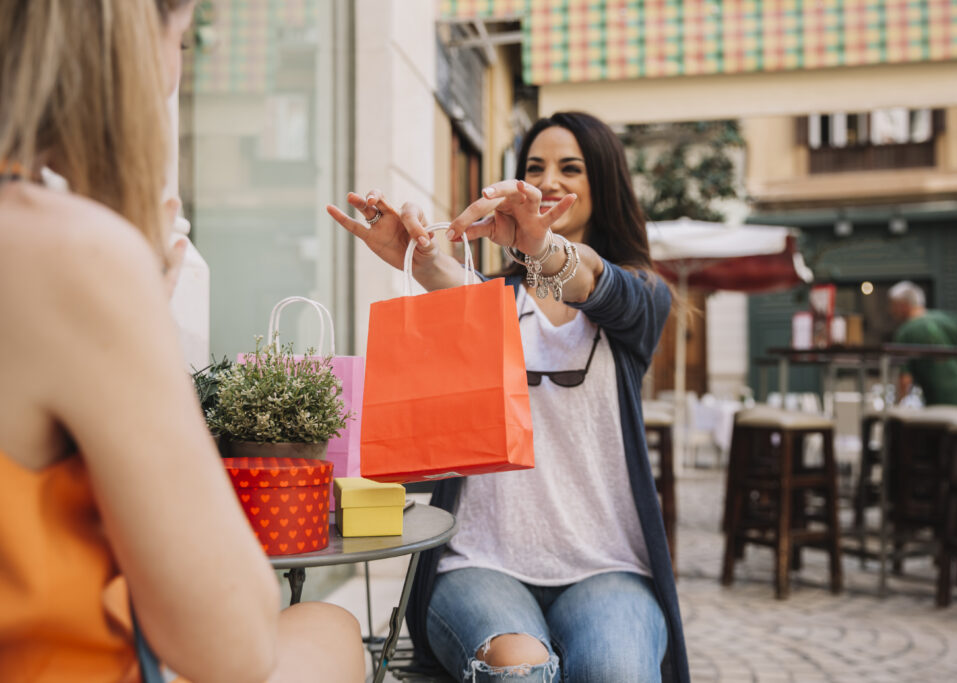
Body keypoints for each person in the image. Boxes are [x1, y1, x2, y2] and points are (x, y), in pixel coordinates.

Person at [0, 2, 364, 682]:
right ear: (129, 40)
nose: (176, 70)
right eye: (185, 39)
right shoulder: (70, 254)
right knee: (331, 630)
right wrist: (138, 303)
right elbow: (235, 644)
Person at [328, 111, 689, 682]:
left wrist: (541, 246)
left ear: (603, 183)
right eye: (534, 167)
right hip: (479, 563)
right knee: (517, 670)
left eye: (571, 168)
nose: (548, 180)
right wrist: (415, 253)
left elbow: (595, 283)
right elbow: (445, 278)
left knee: (617, 671)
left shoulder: (642, 296)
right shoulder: (494, 300)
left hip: (608, 568)